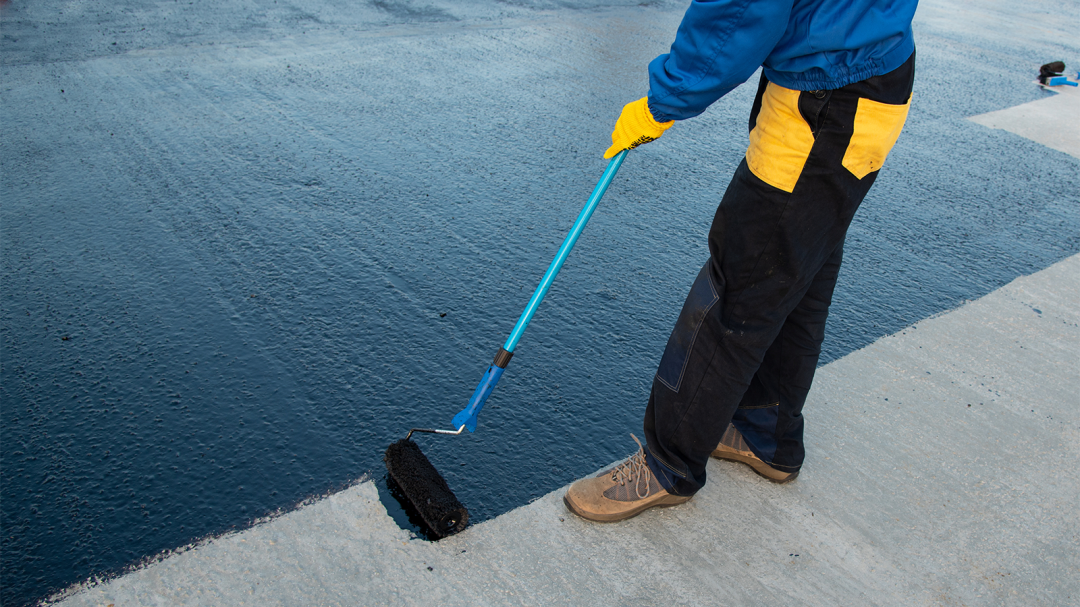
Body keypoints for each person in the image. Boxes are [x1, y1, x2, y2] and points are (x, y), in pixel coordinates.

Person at [564, 0, 919, 522]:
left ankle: (668, 466)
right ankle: (765, 432)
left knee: (741, 287)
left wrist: (665, 99)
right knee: (798, 273)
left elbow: (742, 9)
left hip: (823, 99)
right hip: (872, 78)